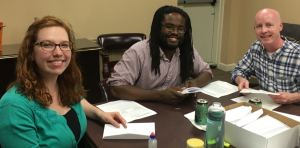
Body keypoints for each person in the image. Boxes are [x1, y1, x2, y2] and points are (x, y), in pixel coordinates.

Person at [0, 16, 127, 148]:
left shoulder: (64, 82)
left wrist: (100, 114)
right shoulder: (13, 106)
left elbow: (76, 100)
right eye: (47, 45)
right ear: (31, 52)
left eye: (64, 45)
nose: (58, 52)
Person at [108, 5, 213, 105]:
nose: (175, 32)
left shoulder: (186, 50)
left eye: (180, 29)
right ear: (158, 28)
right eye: (169, 27)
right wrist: (159, 95)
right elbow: (117, 88)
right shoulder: (138, 52)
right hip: (142, 110)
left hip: (174, 109)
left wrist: (195, 82)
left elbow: (206, 72)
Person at [231, 8, 300, 104]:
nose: (263, 30)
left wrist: (293, 98)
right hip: (264, 105)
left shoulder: (297, 54)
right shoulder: (256, 47)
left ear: (280, 26)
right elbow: (238, 70)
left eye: (269, 25)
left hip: (292, 110)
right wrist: (241, 80)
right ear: (255, 29)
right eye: (259, 26)